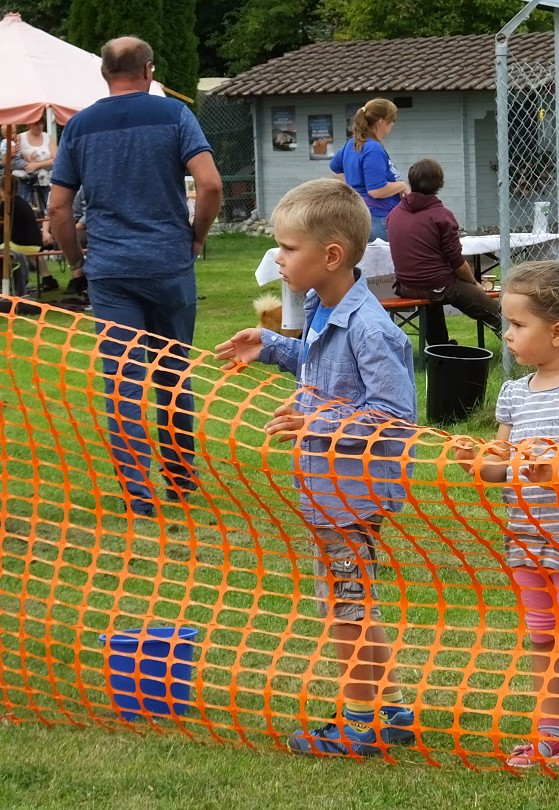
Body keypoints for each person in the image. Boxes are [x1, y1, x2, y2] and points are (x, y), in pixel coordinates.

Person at [214, 178, 417, 758]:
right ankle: (390, 709)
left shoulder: (371, 328)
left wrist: (316, 427)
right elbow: (318, 364)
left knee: (346, 612)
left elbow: (394, 417)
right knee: (352, 603)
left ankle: (358, 724)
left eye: (287, 247)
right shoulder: (325, 309)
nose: (277, 257)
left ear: (331, 256)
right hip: (329, 494)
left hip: (350, 496)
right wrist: (272, 346)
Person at [453, 261, 559, 767]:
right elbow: (498, 470)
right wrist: (476, 461)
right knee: (542, 637)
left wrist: (555, 472)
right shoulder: (511, 395)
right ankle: (548, 734)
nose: (506, 334)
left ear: (558, 332)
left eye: (517, 324)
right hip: (527, 538)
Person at [48, 37, 223, 518]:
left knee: (122, 380)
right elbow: (209, 184)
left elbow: (58, 208)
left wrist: (77, 261)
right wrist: (196, 237)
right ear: (148, 70)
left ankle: (137, 494)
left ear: (104, 73)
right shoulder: (174, 116)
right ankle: (181, 479)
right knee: (172, 374)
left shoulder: (78, 126)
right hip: (168, 263)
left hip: (111, 271)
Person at [387, 158, 501, 345]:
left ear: (411, 182)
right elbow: (457, 263)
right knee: (492, 310)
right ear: (439, 184)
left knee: (434, 299)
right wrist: (474, 283)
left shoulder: (394, 214)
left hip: (405, 286)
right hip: (437, 285)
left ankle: (440, 348)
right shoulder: (441, 216)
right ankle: (515, 343)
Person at [330, 98, 406, 242]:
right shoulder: (373, 149)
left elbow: (335, 169)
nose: (393, 124)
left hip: (361, 216)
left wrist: (354, 190)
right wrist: (402, 186)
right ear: (382, 121)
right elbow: (376, 190)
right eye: (392, 120)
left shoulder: (352, 143)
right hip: (378, 218)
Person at [0, 183, 42, 297]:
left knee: (2, 250)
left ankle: (8, 283)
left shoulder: (7, 205)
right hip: (35, 243)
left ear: (4, 189)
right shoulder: (22, 202)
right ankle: (48, 279)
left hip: (21, 244)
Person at [18, 116, 56, 213]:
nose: (39, 126)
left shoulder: (49, 138)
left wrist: (36, 165)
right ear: (29, 124)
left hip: (46, 180)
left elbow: (56, 160)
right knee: (25, 208)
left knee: (51, 207)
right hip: (25, 180)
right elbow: (13, 159)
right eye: (36, 124)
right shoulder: (20, 138)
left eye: (41, 124)